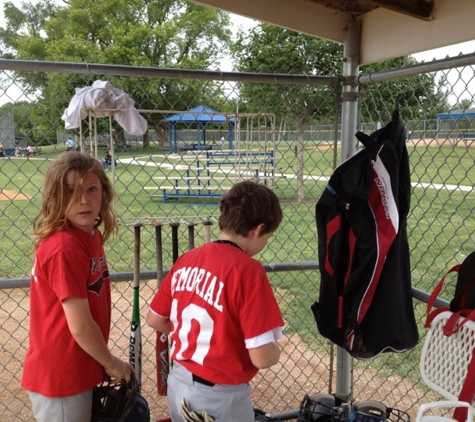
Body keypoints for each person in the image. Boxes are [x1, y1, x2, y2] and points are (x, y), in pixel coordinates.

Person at [146, 181, 285, 422]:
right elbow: (262, 357)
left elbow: (155, 319)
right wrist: (275, 351)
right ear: (258, 229)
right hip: (219, 397)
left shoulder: (187, 259)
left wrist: (203, 342)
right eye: (268, 236)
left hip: (178, 381)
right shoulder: (248, 270)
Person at [21, 152, 133, 422]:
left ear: (103, 193)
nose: (83, 200)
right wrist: (110, 362)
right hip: (61, 377)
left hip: (76, 367)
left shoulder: (87, 235)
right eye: (70, 191)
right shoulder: (64, 247)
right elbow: (80, 326)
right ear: (55, 198)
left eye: (91, 189)